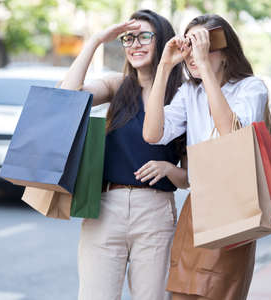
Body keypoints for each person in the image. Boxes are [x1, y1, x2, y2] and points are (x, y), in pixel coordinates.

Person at [140, 14, 271, 300]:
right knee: (181, 292)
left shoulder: (251, 88)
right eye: (190, 45)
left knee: (217, 292)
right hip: (196, 206)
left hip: (234, 204)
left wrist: (206, 69)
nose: (194, 54)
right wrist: (164, 67)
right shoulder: (190, 92)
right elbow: (152, 134)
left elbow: (230, 135)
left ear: (226, 52)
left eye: (205, 45)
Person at [60, 9, 188, 300]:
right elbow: (68, 97)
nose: (135, 44)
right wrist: (95, 41)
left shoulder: (182, 96)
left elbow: (189, 177)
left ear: (163, 41)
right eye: (128, 38)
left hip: (155, 212)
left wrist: (168, 168)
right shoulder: (117, 86)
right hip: (105, 208)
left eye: (145, 36)